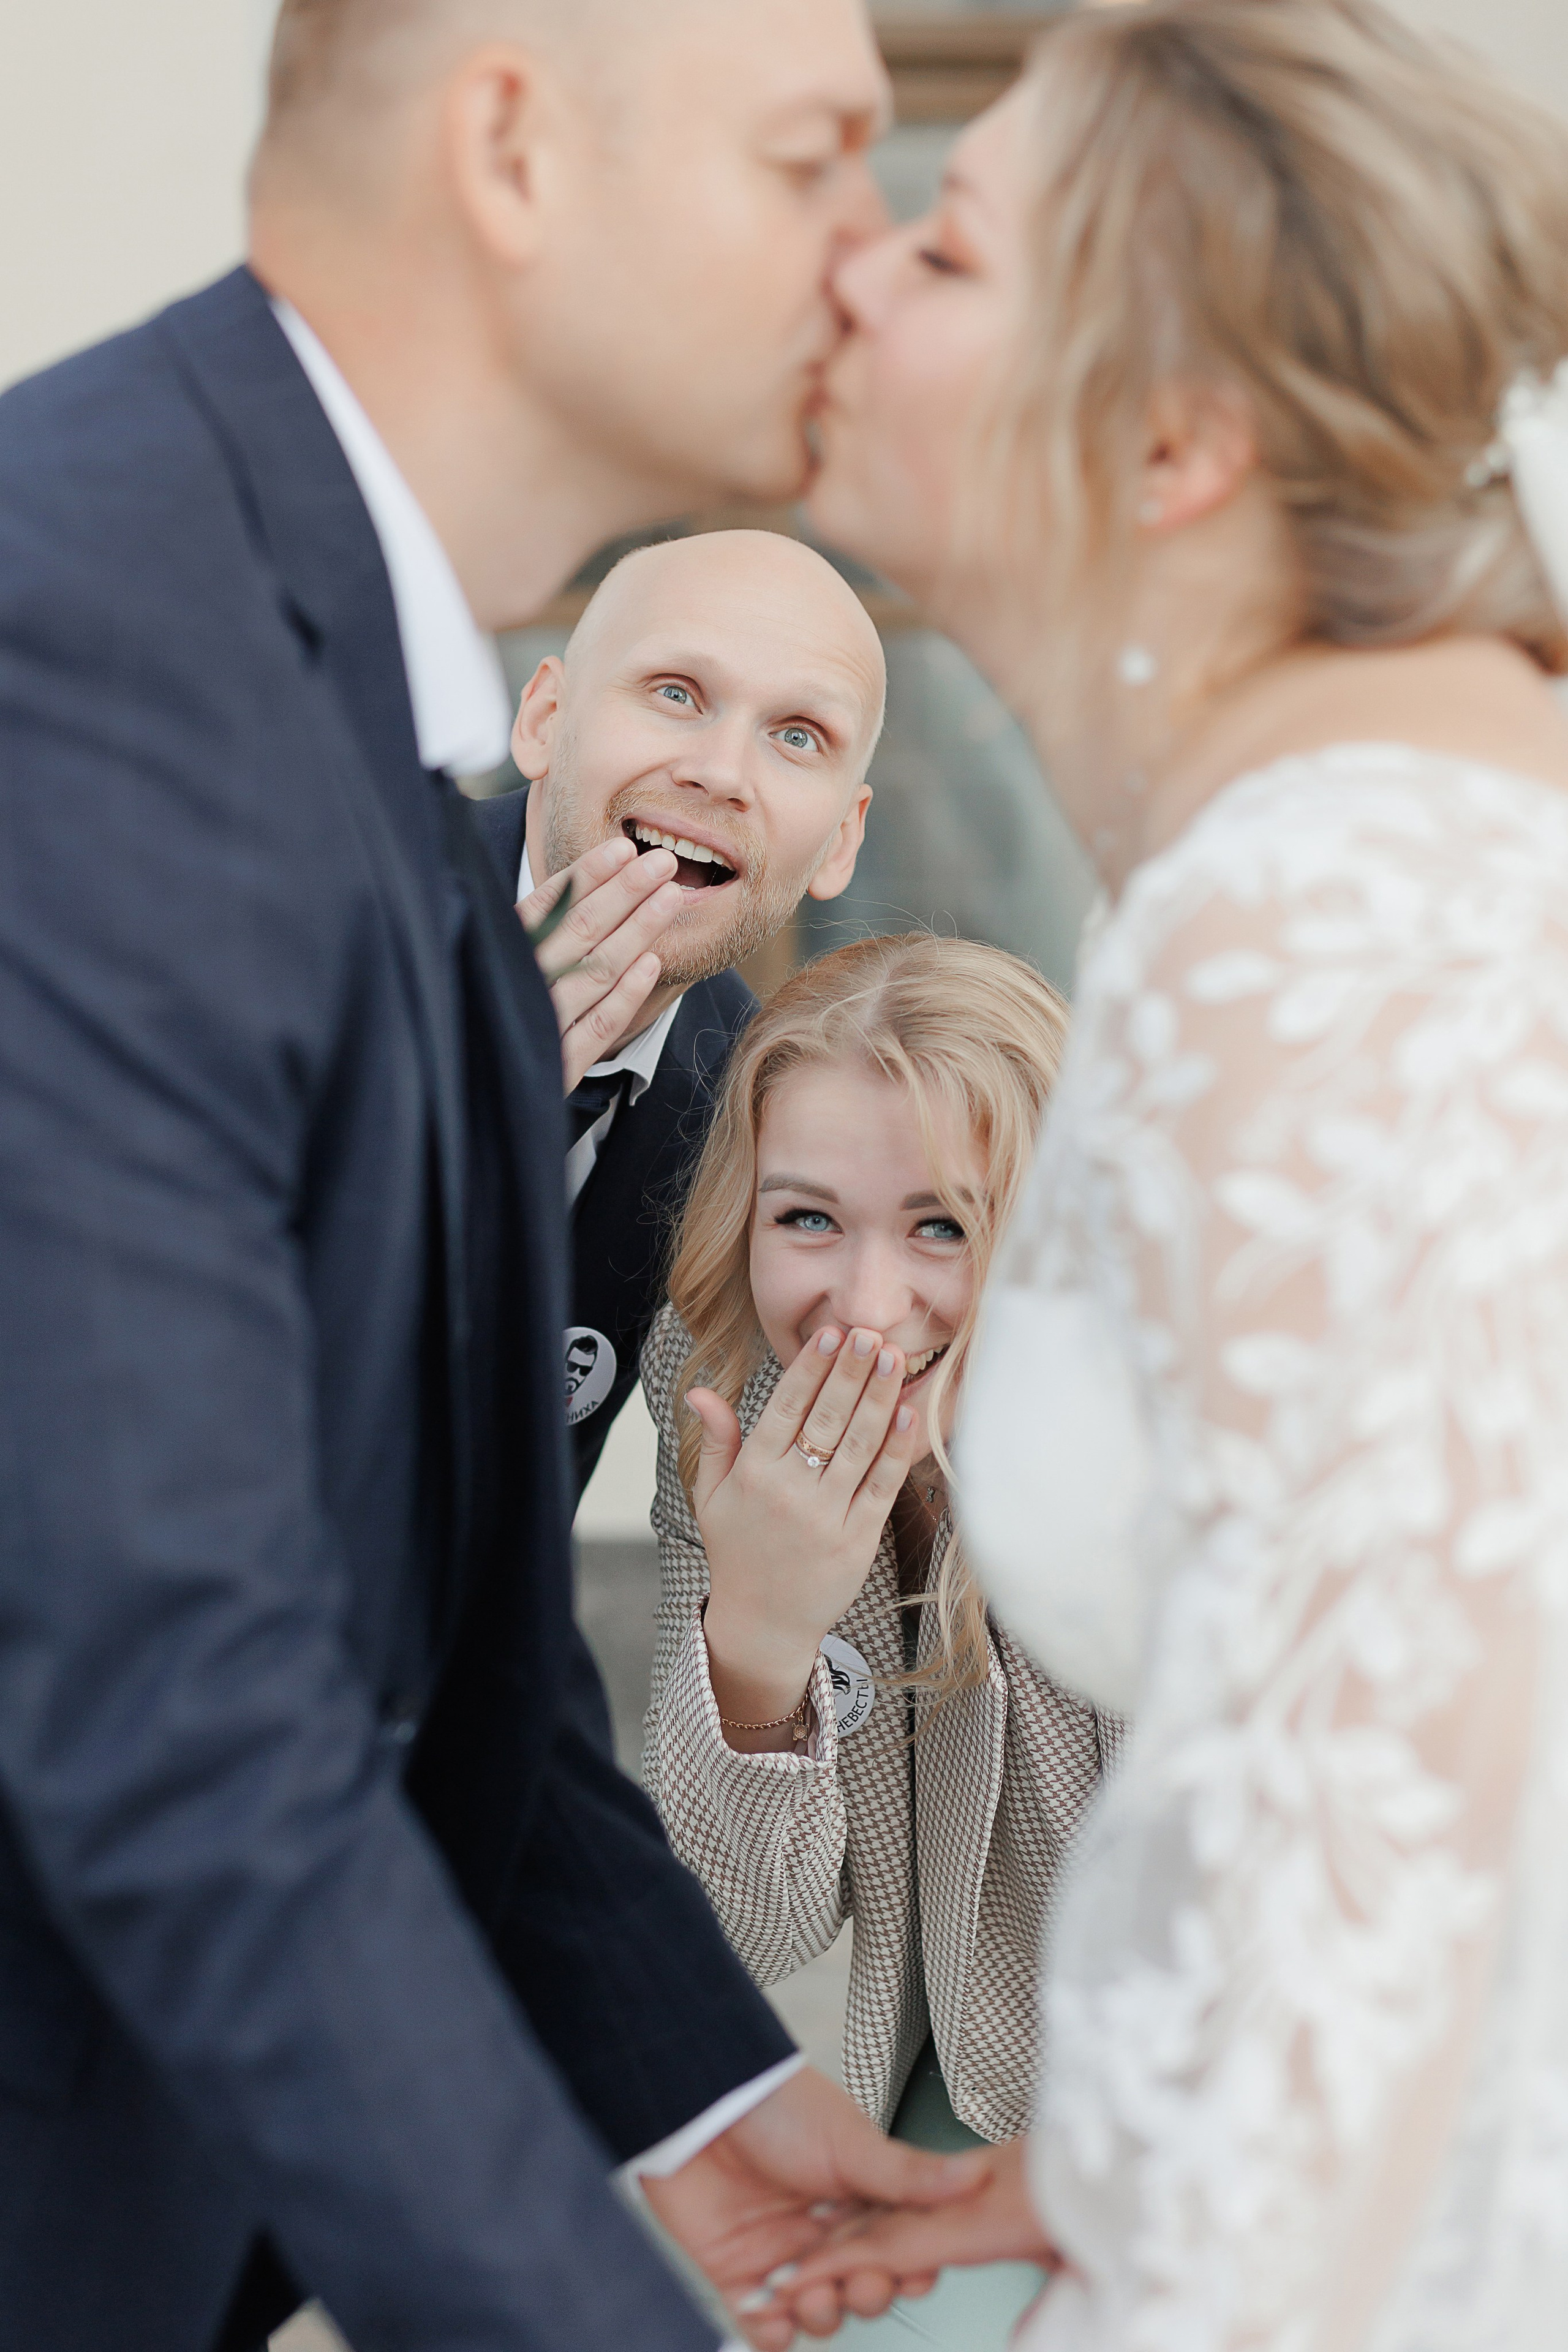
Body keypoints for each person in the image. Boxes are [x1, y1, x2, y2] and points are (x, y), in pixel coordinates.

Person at [0, 4, 991, 2350]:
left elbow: (440, 1614)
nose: (869, 259)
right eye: (811, 161)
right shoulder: (95, 643)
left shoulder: (328, 682)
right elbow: (175, 1676)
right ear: (518, 151)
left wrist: (690, 2085)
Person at [756, 0, 1568, 2343]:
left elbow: (1377, 1856)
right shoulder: (1364, 850)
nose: (857, 269)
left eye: (949, 253)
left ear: (1177, 438)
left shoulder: (1310, 916)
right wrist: (1102, 2158)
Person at [640, 933, 1123, 2345]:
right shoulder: (725, 1391)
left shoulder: (1175, 1438)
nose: (862, 1310)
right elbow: (745, 1931)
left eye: (941, 1227)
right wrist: (760, 1636)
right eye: (806, 1219)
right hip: (961, 2078)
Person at [473, 529, 884, 1490]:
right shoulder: (307, 928)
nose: (722, 773)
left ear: (841, 841)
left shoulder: (756, 1110)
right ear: (544, 719)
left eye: (797, 736)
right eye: (675, 694)